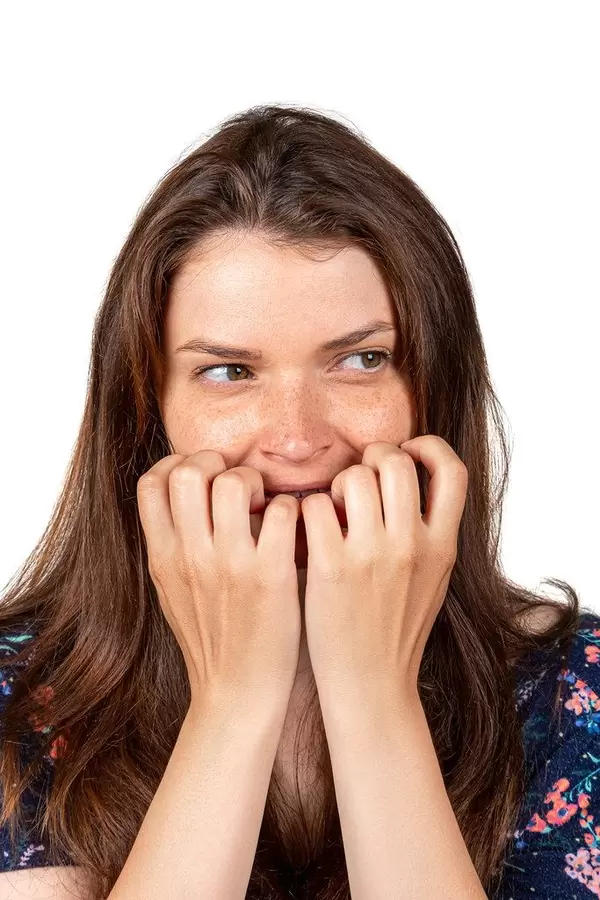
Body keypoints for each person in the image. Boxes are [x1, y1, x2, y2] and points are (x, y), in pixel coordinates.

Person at [0, 103, 595, 900]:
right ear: (149, 417)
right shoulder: (19, 702)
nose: (296, 438)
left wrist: (374, 700)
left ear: (435, 392)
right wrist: (234, 701)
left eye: (361, 359)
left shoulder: (576, 695)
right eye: (229, 372)